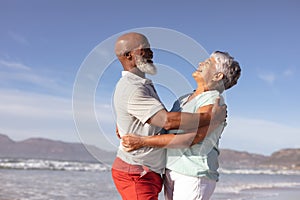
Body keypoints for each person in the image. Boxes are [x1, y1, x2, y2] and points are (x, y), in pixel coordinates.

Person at [112, 32, 227, 200]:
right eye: (145, 49)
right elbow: (167, 121)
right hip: (136, 172)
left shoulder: (141, 85)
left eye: (151, 49)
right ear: (128, 55)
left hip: (149, 171)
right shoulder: (133, 87)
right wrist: (212, 118)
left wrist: (126, 126)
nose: (151, 53)